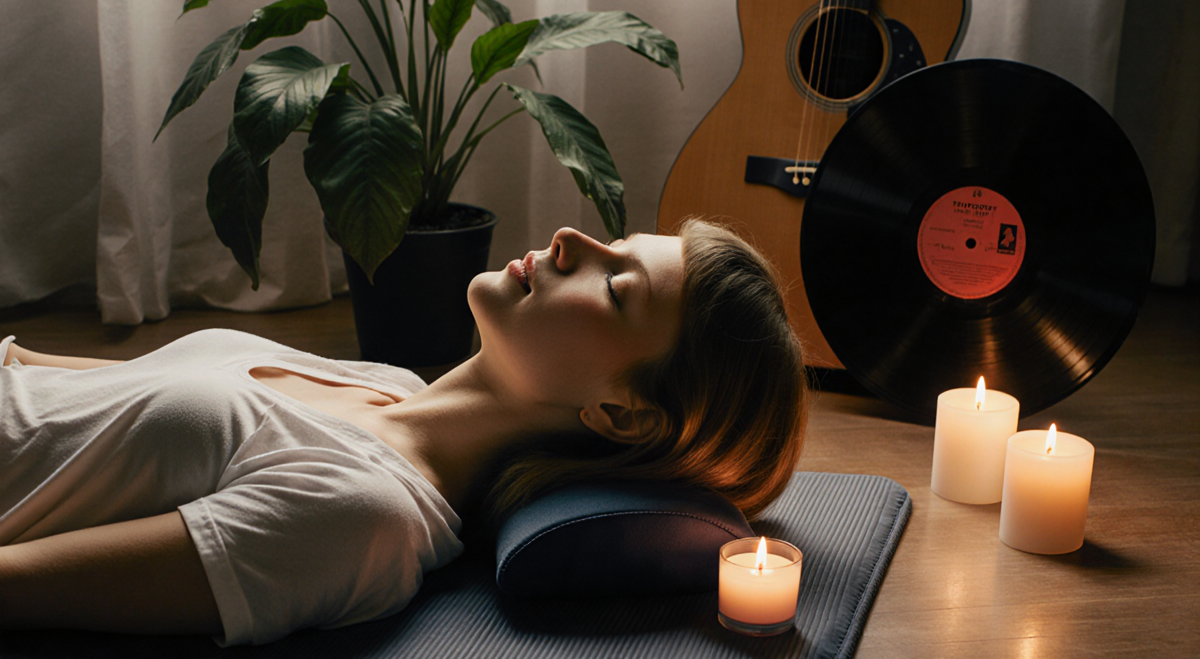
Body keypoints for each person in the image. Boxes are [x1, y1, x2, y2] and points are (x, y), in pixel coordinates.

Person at [0, 219, 807, 645]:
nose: (573, 240)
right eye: (614, 239)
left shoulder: (360, 514)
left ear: (621, 413)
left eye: (616, 283)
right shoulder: (387, 384)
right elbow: (47, 378)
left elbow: (18, 584)